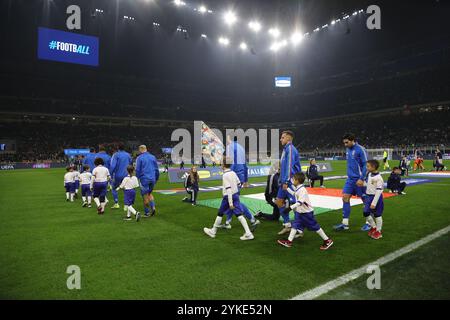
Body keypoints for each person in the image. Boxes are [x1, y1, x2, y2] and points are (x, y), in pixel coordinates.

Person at [277, 172, 334, 250]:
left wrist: (290, 208)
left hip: (306, 213)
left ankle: (327, 240)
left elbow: (300, 202)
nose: (292, 181)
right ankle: (289, 241)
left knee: (315, 227)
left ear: (297, 181)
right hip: (300, 212)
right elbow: (295, 194)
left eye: (294, 179)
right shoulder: (299, 188)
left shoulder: (302, 190)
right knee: (295, 225)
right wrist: (287, 189)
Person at [203, 160, 254, 241]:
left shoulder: (225, 175)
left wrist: (230, 203)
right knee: (239, 215)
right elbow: (239, 184)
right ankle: (248, 233)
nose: (220, 165)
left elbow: (228, 189)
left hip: (228, 197)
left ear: (223, 165)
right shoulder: (233, 173)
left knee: (220, 213)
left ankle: (213, 231)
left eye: (221, 164)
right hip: (236, 195)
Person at [334, 133, 368, 231]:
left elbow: (365, 165)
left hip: (359, 179)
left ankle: (369, 223)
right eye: (344, 143)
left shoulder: (361, 149)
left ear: (352, 140)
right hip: (350, 179)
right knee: (345, 197)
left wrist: (362, 178)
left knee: (365, 200)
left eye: (346, 142)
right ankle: (345, 224)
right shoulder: (348, 149)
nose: (345, 144)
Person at [275, 130, 302, 235]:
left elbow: (290, 166)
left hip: (290, 182)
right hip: (284, 181)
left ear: (289, 138)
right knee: (279, 202)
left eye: (282, 137)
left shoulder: (290, 149)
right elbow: (285, 166)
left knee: (296, 206)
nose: (280, 139)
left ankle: (299, 229)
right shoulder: (286, 149)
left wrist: (286, 180)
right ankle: (287, 225)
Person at [362, 160, 384, 240]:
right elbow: (369, 184)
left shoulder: (379, 178)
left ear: (373, 167)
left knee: (377, 214)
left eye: (368, 166)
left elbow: (379, 191)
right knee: (365, 212)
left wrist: (374, 203)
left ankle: (378, 231)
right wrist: (363, 184)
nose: (366, 167)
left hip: (376, 198)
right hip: (368, 197)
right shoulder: (369, 174)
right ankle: (373, 227)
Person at [136, 145, 160, 217]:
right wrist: (156, 178)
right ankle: (153, 207)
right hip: (152, 178)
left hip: (144, 179)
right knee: (149, 193)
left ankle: (147, 212)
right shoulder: (153, 157)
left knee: (144, 196)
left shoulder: (139, 158)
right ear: (146, 149)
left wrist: (138, 177)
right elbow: (156, 169)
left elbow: (137, 170)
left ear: (140, 150)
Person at [110, 143, 133, 209]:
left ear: (118, 148)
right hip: (126, 175)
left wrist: (110, 175)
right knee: (126, 189)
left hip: (118, 175)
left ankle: (116, 203)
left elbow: (112, 166)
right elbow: (131, 165)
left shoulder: (116, 155)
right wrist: (130, 174)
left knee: (114, 188)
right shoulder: (128, 155)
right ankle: (126, 205)